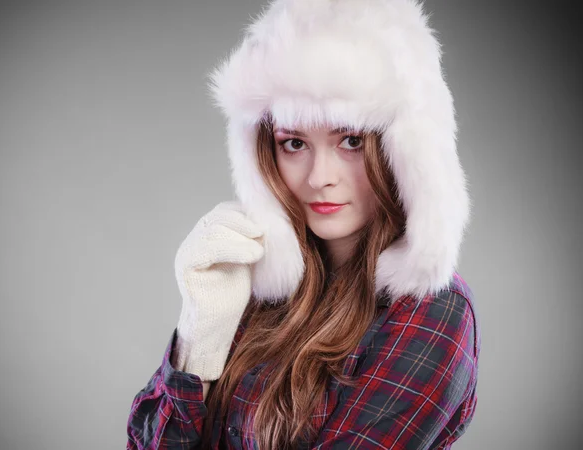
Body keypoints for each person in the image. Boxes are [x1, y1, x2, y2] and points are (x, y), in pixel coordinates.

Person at [126, 0, 481, 448]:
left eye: (350, 140)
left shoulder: (434, 311)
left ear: (405, 153)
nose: (319, 178)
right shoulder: (255, 290)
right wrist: (199, 335)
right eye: (294, 143)